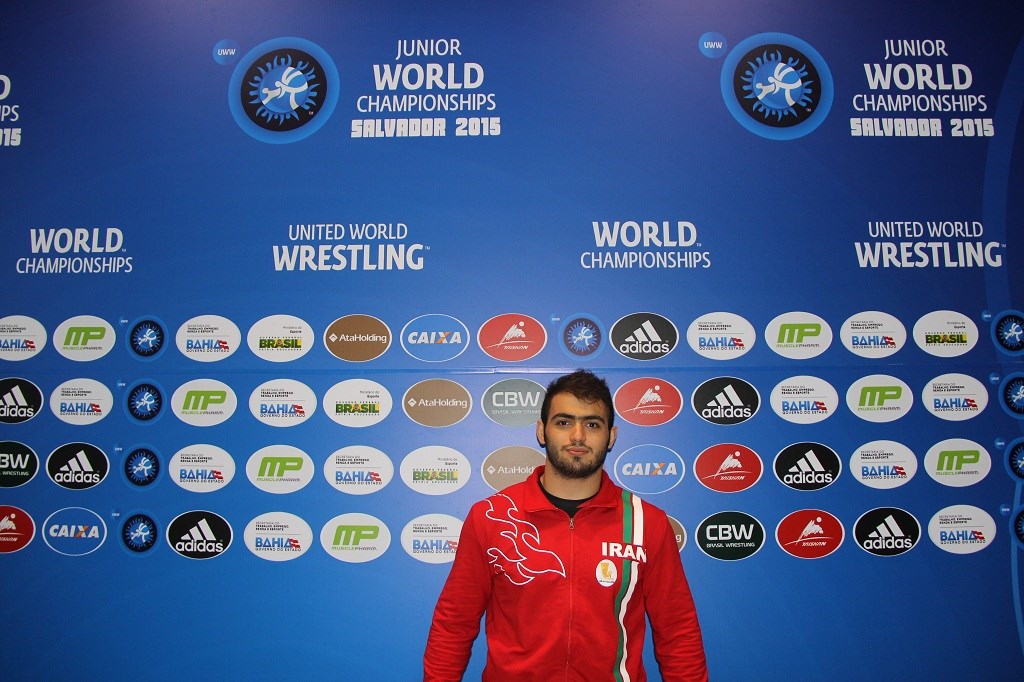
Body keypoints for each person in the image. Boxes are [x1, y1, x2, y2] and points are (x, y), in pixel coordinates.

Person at [424, 369, 708, 681]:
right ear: (541, 431)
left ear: (611, 436)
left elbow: (677, 631)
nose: (577, 436)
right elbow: (454, 625)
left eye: (592, 424)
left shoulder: (647, 523)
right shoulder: (492, 517)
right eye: (563, 422)